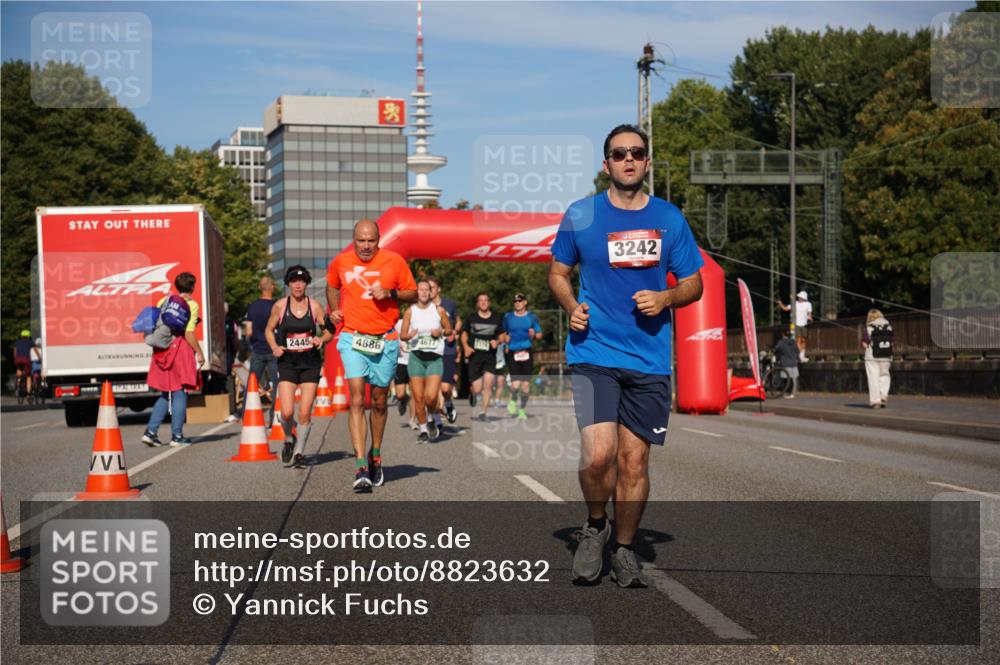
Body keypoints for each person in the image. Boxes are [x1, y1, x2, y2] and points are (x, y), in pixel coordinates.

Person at [548, 124, 704, 588]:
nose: (628, 160)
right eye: (619, 154)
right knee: (600, 456)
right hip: (593, 351)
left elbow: (694, 281)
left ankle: (624, 547)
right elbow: (558, 273)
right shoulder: (581, 215)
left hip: (648, 359)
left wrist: (667, 299)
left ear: (647, 161)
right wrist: (572, 307)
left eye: (637, 152)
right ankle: (596, 525)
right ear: (606, 164)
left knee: (634, 463)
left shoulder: (669, 219)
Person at [327, 219, 417, 493]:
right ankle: (359, 466)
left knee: (378, 402)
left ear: (379, 240)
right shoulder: (340, 262)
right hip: (353, 337)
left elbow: (412, 293)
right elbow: (332, 286)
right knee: (356, 399)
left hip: (384, 340)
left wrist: (389, 292)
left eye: (371, 241)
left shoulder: (395, 261)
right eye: (360, 241)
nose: (366, 246)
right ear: (353, 239)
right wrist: (334, 311)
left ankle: (375, 453)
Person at [264, 265, 334, 468]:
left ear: (307, 284)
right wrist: (275, 346)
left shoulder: (315, 307)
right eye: (294, 281)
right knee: (286, 412)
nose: (298, 285)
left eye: (302, 281)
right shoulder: (279, 306)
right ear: (288, 284)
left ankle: (299, 453)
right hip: (287, 364)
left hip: (310, 365)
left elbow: (328, 331)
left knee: (304, 413)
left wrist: (321, 340)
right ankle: (288, 438)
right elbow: (269, 330)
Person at [142, 272, 206, 447]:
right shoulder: (191, 305)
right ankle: (177, 436)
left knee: (166, 392)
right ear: (192, 287)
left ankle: (151, 432)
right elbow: (189, 332)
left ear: (177, 286)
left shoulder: (163, 301)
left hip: (162, 349)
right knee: (180, 392)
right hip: (180, 349)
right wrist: (199, 352)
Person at [400, 280, 453, 443]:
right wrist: (409, 336)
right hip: (416, 358)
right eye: (420, 290)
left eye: (426, 290)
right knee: (418, 398)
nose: (423, 292)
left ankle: (431, 417)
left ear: (431, 293)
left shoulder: (439, 310)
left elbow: (449, 330)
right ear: (416, 293)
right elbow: (402, 335)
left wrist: (441, 332)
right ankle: (423, 429)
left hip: (434, 359)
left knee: (430, 397)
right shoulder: (410, 311)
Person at [236, 276, 279, 422]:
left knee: (252, 383)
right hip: (275, 350)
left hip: (258, 350)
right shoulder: (277, 306)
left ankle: (246, 415)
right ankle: (276, 416)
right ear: (272, 287)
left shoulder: (253, 306)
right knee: (277, 383)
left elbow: (248, 331)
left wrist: (252, 344)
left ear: (260, 288)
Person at [461, 292, 504, 422]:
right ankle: (473, 394)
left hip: (490, 356)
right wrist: (466, 347)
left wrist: (497, 342)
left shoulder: (496, 319)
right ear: (477, 303)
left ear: (489, 302)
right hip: (475, 356)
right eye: (481, 300)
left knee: (488, 385)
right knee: (478, 388)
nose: (484, 302)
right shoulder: (471, 318)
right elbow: (464, 334)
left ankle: (483, 412)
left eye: (486, 300)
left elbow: (502, 335)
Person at [502, 293, 543, 420]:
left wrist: (534, 335)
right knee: (515, 384)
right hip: (513, 351)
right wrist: (505, 338)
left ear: (525, 302)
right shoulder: (508, 317)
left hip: (527, 351)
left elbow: (540, 334)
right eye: (515, 301)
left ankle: (522, 410)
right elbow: (502, 332)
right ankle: (513, 400)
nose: (517, 303)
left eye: (520, 301)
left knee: (525, 386)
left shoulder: (531, 317)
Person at [428, 276, 461, 424]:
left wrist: (454, 331)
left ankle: (448, 403)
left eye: (432, 288)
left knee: (446, 388)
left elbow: (459, 321)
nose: (429, 291)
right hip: (431, 350)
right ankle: (436, 421)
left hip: (448, 349)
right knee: (433, 389)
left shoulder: (450, 304)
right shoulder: (423, 307)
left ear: (438, 289)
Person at [861, 308, 893, 408]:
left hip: (872, 357)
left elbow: (865, 345)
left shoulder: (869, 327)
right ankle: (883, 395)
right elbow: (892, 341)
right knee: (884, 375)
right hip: (886, 355)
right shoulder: (889, 326)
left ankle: (875, 401)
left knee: (873, 378)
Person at [779, 291, 813, 362]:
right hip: (794, 324)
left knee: (803, 340)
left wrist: (810, 317)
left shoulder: (808, 304)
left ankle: (801, 355)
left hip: (804, 324)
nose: (800, 298)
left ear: (804, 298)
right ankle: (799, 356)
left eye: (801, 297)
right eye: (799, 297)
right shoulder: (794, 303)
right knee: (797, 339)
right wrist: (780, 304)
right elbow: (785, 309)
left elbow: (809, 313)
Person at [393, 318, 411, 419]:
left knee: (418, 393)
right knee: (400, 394)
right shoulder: (400, 323)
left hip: (415, 361)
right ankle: (403, 400)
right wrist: (396, 344)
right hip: (401, 360)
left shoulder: (422, 322)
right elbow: (393, 335)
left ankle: (421, 422)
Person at [773, 328, 800, 398]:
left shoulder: (781, 342)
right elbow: (797, 351)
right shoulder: (793, 342)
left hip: (785, 363)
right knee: (793, 379)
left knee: (786, 379)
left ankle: (786, 392)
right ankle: (792, 393)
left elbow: (776, 349)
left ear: (783, 334)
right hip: (794, 363)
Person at [13, 330, 33, 395]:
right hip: (26, 360)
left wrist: (16, 358)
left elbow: (15, 353)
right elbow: (35, 350)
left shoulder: (17, 342)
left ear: (21, 336)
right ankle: (28, 392)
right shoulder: (30, 342)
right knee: (28, 376)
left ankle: (18, 385)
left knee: (19, 370)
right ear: (28, 336)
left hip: (17, 359)